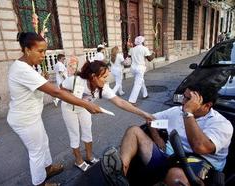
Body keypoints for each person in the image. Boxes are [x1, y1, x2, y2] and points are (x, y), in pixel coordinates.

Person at [7, 32, 102, 186]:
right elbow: (57, 91)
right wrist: (86, 104)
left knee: (44, 142)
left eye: (44, 51)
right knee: (36, 152)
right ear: (26, 50)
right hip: (24, 119)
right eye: (40, 51)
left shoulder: (27, 66)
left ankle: (48, 168)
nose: (43, 55)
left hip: (32, 116)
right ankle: (40, 183)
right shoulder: (22, 69)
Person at [101, 84, 233, 185]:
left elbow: (200, 147)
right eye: (184, 97)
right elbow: (151, 119)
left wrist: (188, 113)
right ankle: (120, 174)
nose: (183, 102)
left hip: (200, 164)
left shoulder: (222, 124)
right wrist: (157, 138)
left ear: (207, 105)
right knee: (133, 130)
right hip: (168, 155)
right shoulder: (177, 111)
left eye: (189, 99)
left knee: (176, 177)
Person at [60, 60, 154, 172]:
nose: (106, 80)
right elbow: (61, 88)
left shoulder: (103, 87)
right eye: (104, 77)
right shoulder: (76, 81)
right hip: (69, 108)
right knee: (74, 134)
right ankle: (78, 160)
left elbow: (121, 102)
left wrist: (144, 114)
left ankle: (89, 156)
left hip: (85, 108)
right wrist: (73, 97)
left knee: (87, 131)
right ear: (93, 76)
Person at [128, 36, 155, 106]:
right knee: (137, 84)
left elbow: (129, 56)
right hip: (140, 68)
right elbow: (150, 59)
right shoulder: (144, 49)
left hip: (133, 68)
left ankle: (145, 94)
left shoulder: (132, 49)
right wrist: (153, 54)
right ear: (142, 42)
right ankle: (132, 101)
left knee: (141, 81)